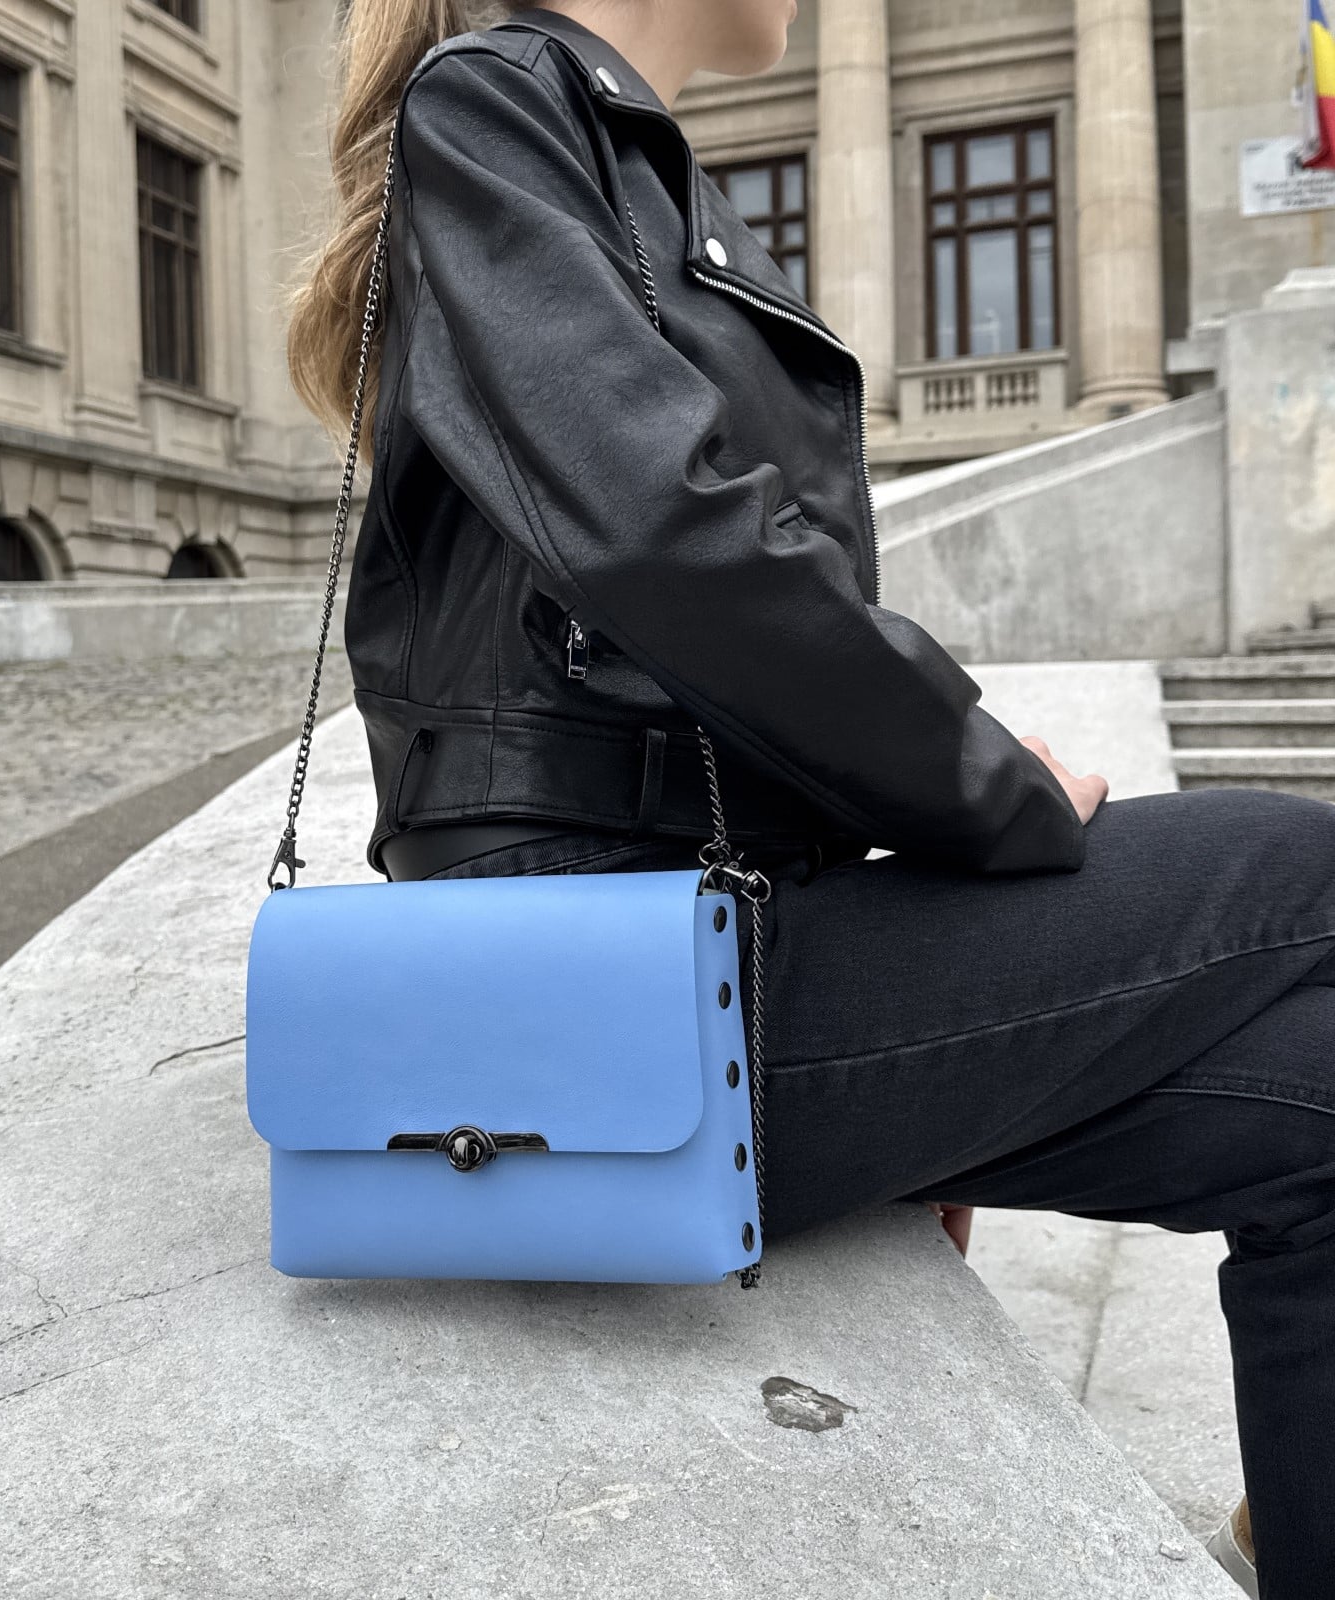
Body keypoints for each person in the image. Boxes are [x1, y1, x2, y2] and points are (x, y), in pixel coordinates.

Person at [283, 3, 1333, 1593]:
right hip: (610, 961)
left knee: (1321, 1101)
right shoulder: (494, 96)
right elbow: (669, 542)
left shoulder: (621, 155)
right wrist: (995, 787)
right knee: (1306, 865)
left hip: (718, 923)